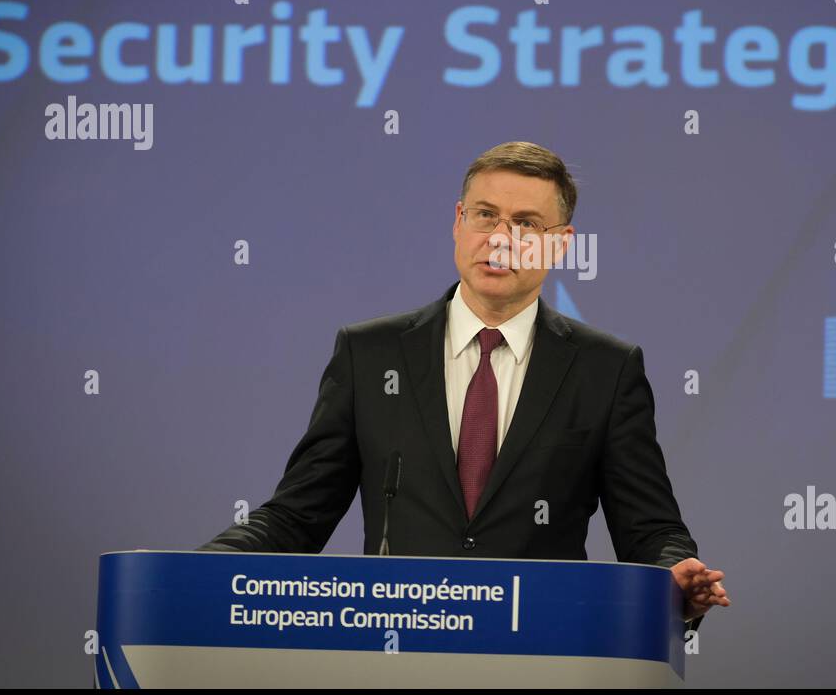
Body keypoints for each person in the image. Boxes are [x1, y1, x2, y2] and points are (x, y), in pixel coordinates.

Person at [199, 141, 729, 629]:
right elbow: (298, 513)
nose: (501, 239)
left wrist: (674, 576)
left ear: (561, 245)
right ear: (458, 222)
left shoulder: (605, 369)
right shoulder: (370, 354)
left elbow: (651, 529)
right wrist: (204, 568)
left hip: (542, 652)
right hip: (394, 647)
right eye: (485, 215)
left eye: (526, 224)